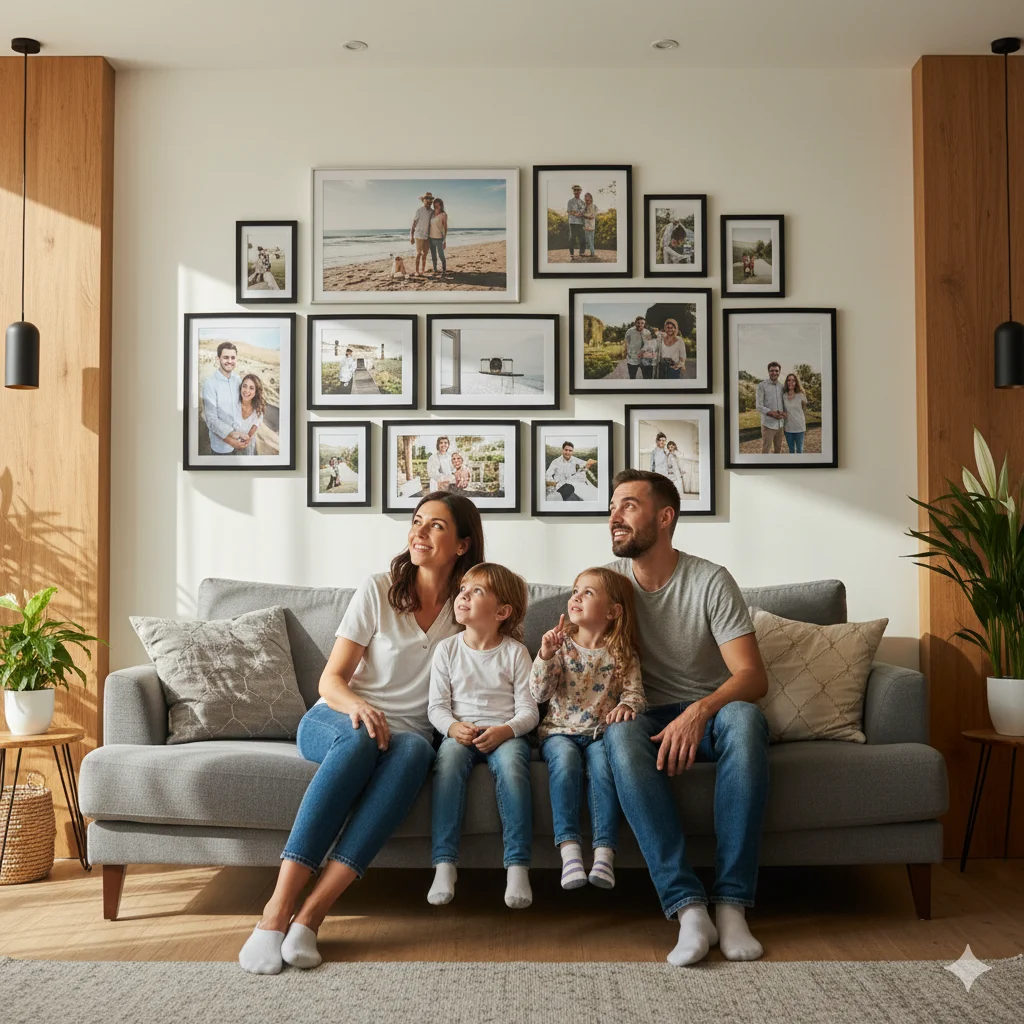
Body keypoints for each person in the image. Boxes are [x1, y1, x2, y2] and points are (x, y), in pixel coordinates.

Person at [237, 493, 485, 974]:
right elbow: (330, 680)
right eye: (416, 522)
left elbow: (500, 662)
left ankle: (312, 915)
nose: (418, 532)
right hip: (337, 717)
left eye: (435, 526)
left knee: (414, 751)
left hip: (409, 736)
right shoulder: (379, 590)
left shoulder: (470, 608)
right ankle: (274, 914)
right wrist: (361, 708)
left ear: (462, 544)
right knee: (360, 738)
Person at [603, 469, 770, 966]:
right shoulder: (608, 588)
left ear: (665, 516)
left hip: (712, 715)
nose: (614, 516)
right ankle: (688, 908)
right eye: (612, 507)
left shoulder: (709, 580)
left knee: (745, 720)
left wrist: (699, 711)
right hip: (645, 716)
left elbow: (752, 677)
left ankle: (733, 905)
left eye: (628, 505)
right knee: (616, 736)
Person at [426, 563, 537, 909]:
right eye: (463, 589)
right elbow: (436, 707)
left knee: (514, 772)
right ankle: (444, 863)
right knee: (447, 765)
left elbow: (529, 711)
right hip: (460, 733)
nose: (463, 596)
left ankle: (517, 866)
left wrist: (505, 730)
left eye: (476, 591)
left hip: (505, 734)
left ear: (502, 611)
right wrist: (452, 727)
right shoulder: (447, 650)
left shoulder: (516, 652)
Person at [530, 568, 645, 891]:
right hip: (558, 733)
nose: (576, 597)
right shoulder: (562, 646)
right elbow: (539, 694)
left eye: (588, 593)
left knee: (603, 770)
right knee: (565, 766)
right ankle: (569, 853)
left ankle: (604, 854)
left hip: (599, 735)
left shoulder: (622, 652)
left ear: (613, 611)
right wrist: (545, 656)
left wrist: (626, 707)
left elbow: (635, 695)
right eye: (575, 590)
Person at [201, 341, 248, 455]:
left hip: (240, 440)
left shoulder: (238, 381)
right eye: (226, 357)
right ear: (218, 359)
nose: (230, 361)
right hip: (220, 447)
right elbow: (211, 420)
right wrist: (231, 436)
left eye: (233, 357)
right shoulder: (210, 384)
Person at [756, 361, 786, 454]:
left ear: (779, 372)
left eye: (776, 371)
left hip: (780, 425)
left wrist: (784, 412)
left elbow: (784, 404)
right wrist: (772, 414)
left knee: (778, 450)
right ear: (768, 372)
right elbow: (759, 406)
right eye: (772, 371)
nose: (774, 373)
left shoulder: (782, 387)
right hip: (768, 425)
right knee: (765, 451)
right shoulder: (762, 386)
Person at [232, 373, 265, 456]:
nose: (246, 390)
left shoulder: (258, 410)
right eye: (244, 386)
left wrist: (246, 439)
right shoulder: (234, 404)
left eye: (251, 388)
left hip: (248, 444)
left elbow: (253, 428)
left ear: (256, 392)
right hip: (230, 442)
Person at [782, 372, 807, 454]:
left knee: (799, 450)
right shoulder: (784, 396)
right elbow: (784, 409)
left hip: (799, 427)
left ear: (796, 382)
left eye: (793, 380)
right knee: (791, 450)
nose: (791, 382)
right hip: (788, 427)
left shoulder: (801, 395)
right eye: (789, 380)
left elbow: (803, 409)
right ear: (786, 382)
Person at [410, 191, 435, 276]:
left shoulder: (432, 211)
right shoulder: (419, 210)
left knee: (425, 254)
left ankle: (423, 270)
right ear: (423, 200)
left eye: (430, 199)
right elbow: (414, 223)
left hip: (428, 236)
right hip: (419, 235)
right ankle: (417, 271)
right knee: (418, 254)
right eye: (427, 199)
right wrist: (411, 236)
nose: (429, 201)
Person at [624, 316, 651, 380]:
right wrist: (627, 353)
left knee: (646, 377)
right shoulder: (629, 331)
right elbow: (626, 343)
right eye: (638, 323)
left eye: (642, 323)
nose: (640, 325)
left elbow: (649, 344)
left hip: (644, 359)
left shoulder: (647, 332)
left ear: (644, 324)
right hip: (632, 359)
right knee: (632, 378)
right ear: (635, 323)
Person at [428, 197, 448, 276]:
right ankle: (435, 269)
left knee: (441, 255)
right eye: (435, 205)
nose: (436, 206)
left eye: (438, 205)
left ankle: (444, 269)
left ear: (441, 205)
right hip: (431, 238)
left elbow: (445, 228)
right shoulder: (432, 214)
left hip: (439, 238)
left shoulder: (444, 215)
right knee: (433, 255)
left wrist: (445, 240)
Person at [567, 185, 586, 259]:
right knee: (572, 238)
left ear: (580, 191)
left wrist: (582, 214)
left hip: (581, 222)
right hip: (573, 222)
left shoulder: (582, 202)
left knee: (583, 238)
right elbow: (568, 211)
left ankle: (581, 252)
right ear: (573, 191)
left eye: (578, 190)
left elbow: (584, 212)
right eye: (575, 190)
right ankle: (572, 254)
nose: (577, 192)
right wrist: (575, 214)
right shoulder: (570, 201)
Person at [582, 192, 598, 258]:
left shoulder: (594, 206)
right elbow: (583, 215)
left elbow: (593, 216)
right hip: (586, 225)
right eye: (586, 199)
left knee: (591, 239)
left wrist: (586, 215)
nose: (587, 201)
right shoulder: (585, 207)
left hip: (591, 225)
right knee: (588, 240)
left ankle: (592, 253)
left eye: (588, 199)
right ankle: (592, 252)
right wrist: (587, 216)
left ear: (591, 199)